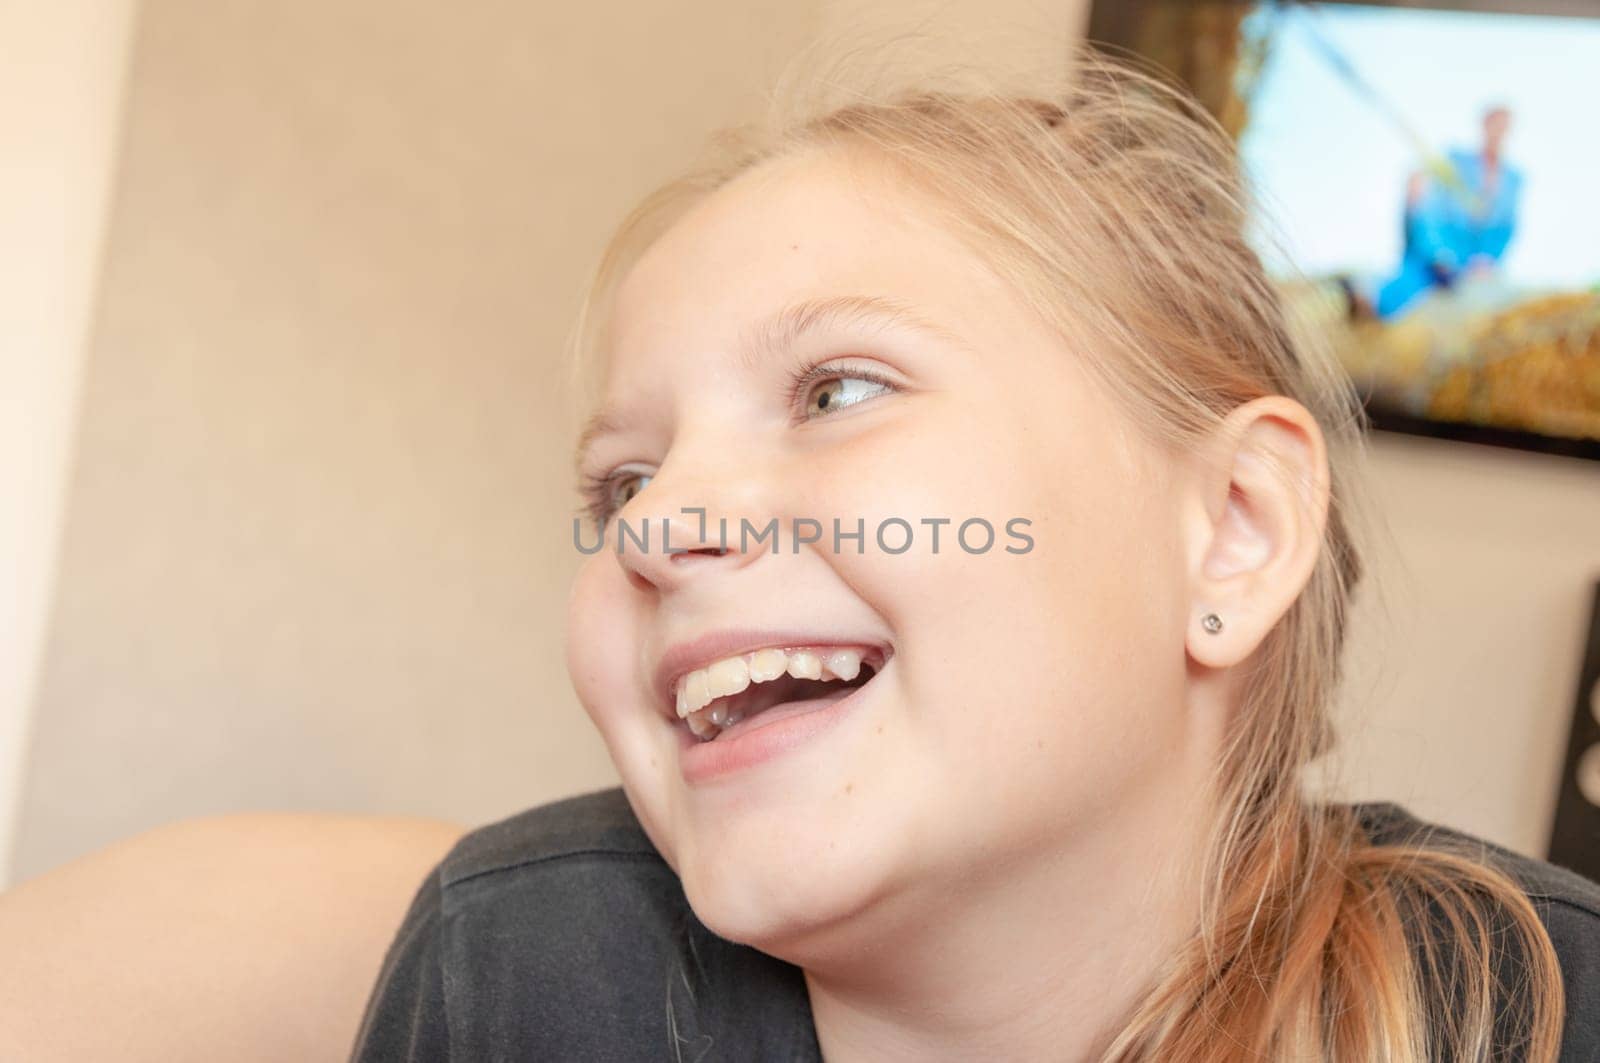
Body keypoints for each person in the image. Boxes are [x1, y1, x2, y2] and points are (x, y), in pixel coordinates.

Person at [351, 48, 1598, 1061]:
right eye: (623, 478)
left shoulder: (1549, 1009)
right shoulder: (512, 964)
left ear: (1231, 530)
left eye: (837, 390)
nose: (655, 523)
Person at [1376, 106, 1524, 319]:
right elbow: (1430, 212)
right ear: (1484, 125)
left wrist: (1488, 260)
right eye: (1495, 125)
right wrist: (1441, 254)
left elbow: (1508, 227)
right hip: (1436, 260)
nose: (1499, 132)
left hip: (1478, 268)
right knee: (1396, 295)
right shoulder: (1455, 162)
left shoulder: (1513, 179)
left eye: (1505, 126)